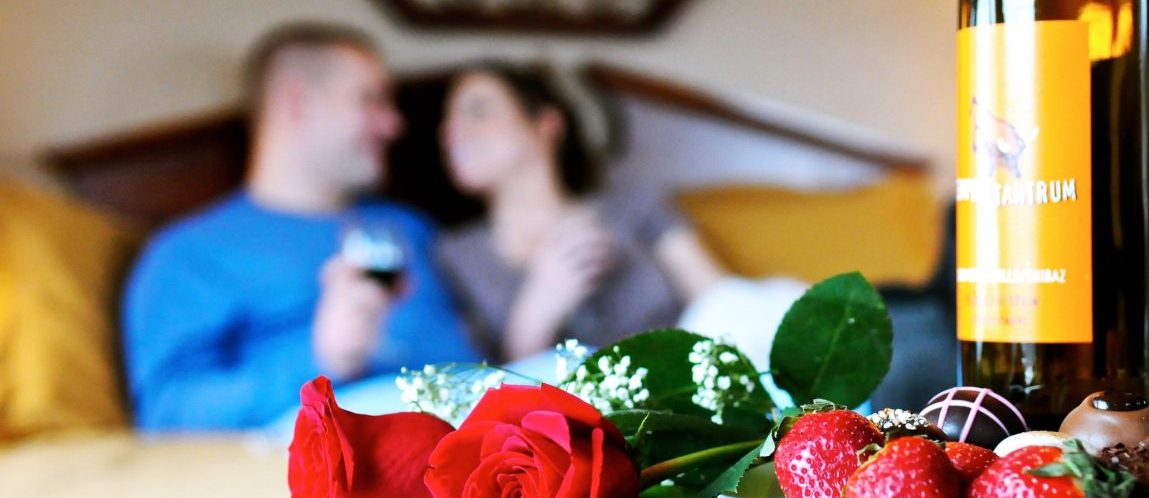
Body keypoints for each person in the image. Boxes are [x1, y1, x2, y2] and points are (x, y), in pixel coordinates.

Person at [122, 23, 478, 431]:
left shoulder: (411, 227)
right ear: (296, 102)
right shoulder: (186, 256)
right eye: (371, 100)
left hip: (500, 436)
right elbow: (167, 415)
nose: (392, 125)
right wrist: (320, 358)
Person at [436, 63, 727, 363]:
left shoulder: (636, 205)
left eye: (478, 111)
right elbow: (488, 386)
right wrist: (539, 305)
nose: (450, 131)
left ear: (545, 124)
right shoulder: (455, 256)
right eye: (447, 120)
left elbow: (723, 304)